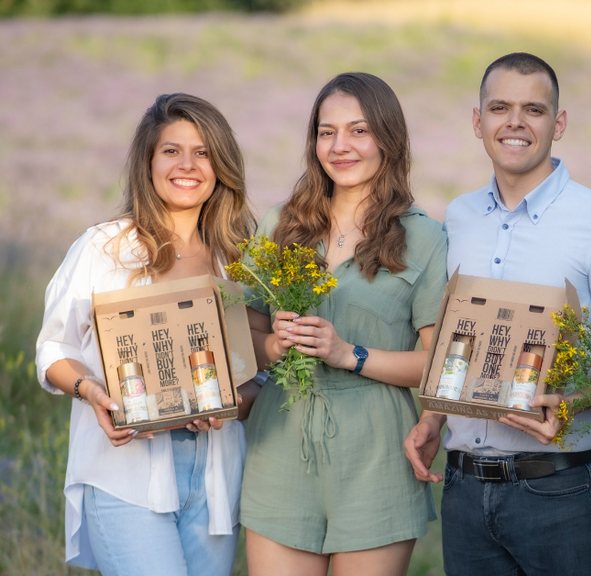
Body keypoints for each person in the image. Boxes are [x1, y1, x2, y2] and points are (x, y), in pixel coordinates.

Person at [402, 52, 591, 576]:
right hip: (464, 490)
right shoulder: (460, 218)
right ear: (478, 121)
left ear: (558, 124)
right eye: (500, 107)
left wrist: (573, 402)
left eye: (533, 109)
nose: (514, 122)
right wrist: (433, 417)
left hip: (558, 490)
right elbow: (460, 339)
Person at [35, 93, 257, 575]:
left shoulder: (236, 260)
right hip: (127, 475)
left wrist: (226, 407)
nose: (188, 165)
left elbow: (250, 378)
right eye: (171, 150)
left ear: (221, 166)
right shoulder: (104, 248)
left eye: (203, 152)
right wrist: (90, 390)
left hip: (215, 478)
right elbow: (53, 348)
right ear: (148, 161)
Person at [240, 72, 448, 576]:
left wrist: (347, 353)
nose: (340, 146)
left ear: (388, 139)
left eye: (358, 130)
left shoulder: (424, 239)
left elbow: (439, 365)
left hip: (376, 456)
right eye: (326, 131)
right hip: (280, 447)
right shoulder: (280, 225)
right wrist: (272, 344)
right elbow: (240, 335)